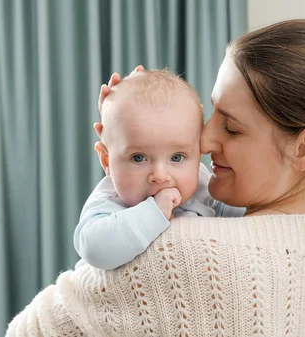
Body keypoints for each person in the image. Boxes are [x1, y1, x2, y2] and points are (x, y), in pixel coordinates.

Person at [6, 19, 305, 337]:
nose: (205, 140)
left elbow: (29, 330)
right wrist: (132, 135)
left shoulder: (177, 252)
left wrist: (123, 166)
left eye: (230, 128)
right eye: (207, 113)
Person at [74, 69, 244, 271]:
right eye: (138, 158)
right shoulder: (111, 200)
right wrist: (154, 213)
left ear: (198, 152)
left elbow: (243, 218)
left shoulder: (201, 183)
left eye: (177, 157)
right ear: (107, 161)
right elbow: (94, 249)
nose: (161, 176)